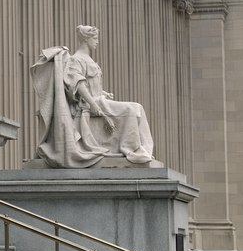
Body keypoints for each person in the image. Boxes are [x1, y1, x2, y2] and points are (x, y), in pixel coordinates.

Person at [31, 25, 154, 168]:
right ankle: (130, 149)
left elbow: (90, 86)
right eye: (94, 38)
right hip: (89, 105)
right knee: (131, 110)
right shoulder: (76, 59)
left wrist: (103, 93)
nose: (97, 41)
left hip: (99, 100)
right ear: (85, 39)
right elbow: (78, 84)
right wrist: (94, 105)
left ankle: (141, 149)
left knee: (137, 107)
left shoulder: (88, 59)